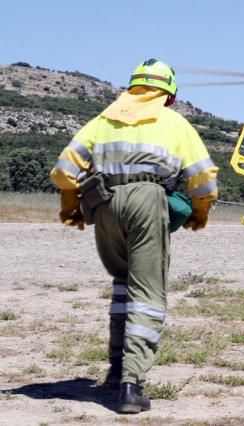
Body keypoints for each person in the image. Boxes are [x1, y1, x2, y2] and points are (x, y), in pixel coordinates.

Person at [49, 59, 218, 414]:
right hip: (146, 199)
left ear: (130, 89)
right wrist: (199, 214)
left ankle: (114, 369)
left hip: (104, 203)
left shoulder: (103, 120)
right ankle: (131, 383)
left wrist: (71, 210)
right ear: (168, 96)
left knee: (124, 283)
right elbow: (204, 179)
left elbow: (65, 171)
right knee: (148, 291)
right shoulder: (174, 122)